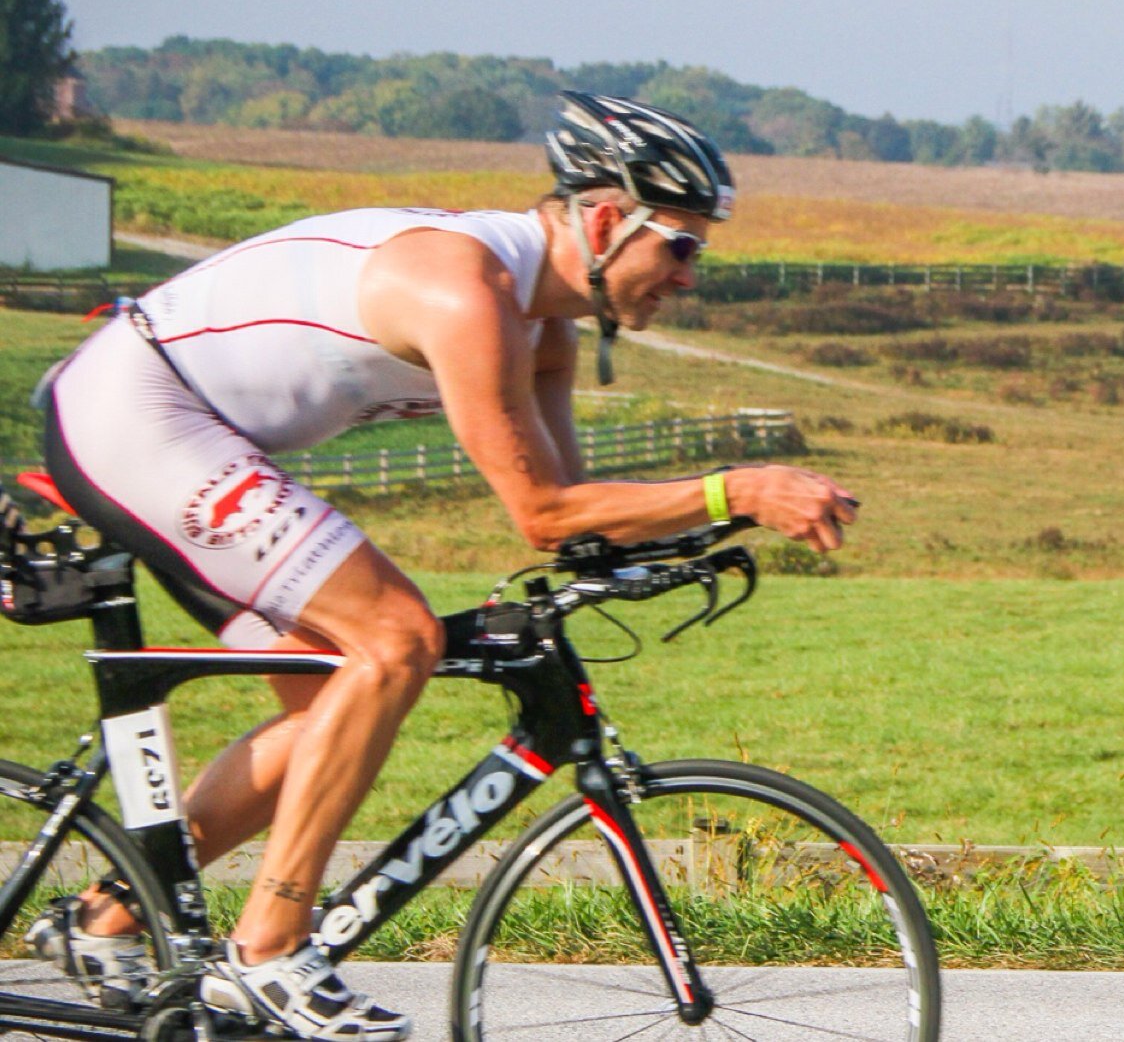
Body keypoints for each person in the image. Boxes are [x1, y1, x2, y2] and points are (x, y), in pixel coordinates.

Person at [31, 92, 858, 1040]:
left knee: (326, 709)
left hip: (193, 434)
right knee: (397, 639)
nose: (689, 277)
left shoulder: (545, 327)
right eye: (680, 245)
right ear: (601, 220)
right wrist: (735, 489)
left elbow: (572, 514)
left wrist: (696, 537)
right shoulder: (468, 295)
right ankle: (268, 947)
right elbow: (543, 512)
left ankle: (106, 919)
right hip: (139, 414)